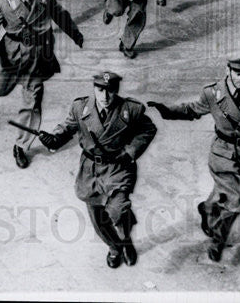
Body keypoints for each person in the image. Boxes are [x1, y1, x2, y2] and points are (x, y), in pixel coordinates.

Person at [147, 56, 240, 262]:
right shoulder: (213, 93)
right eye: (238, 73)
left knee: (230, 193)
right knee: (238, 200)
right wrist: (166, 110)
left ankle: (208, 208)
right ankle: (217, 240)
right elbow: (192, 110)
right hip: (223, 154)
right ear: (228, 71)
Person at [37, 71, 156, 268]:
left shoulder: (131, 109)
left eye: (110, 90)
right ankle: (114, 247)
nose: (105, 95)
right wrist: (54, 139)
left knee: (119, 209)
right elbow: (67, 128)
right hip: (90, 168)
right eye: (100, 90)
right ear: (94, 88)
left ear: (116, 90)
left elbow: (148, 129)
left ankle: (126, 240)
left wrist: (130, 152)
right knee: (98, 217)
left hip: (118, 167)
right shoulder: (80, 107)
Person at [0, 0, 84, 169]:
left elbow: (62, 17)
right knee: (0, 90)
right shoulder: (3, 3)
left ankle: (21, 145)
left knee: (33, 100)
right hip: (10, 54)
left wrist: (76, 34)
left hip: (36, 56)